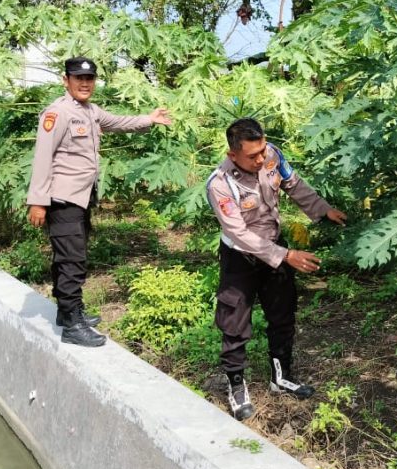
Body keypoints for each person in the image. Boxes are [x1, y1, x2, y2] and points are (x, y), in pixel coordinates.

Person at [205, 118, 347, 420]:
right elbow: (239, 233)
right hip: (240, 256)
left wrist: (322, 209)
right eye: (252, 156)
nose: (261, 158)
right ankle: (236, 385)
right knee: (235, 323)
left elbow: (293, 184)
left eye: (262, 150)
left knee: (282, 314)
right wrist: (286, 255)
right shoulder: (220, 184)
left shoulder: (273, 154)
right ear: (233, 155)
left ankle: (280, 377)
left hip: (275, 246)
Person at [27, 56, 172, 347]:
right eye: (78, 78)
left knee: (68, 257)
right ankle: (72, 326)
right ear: (65, 80)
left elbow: (119, 122)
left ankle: (68, 312)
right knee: (73, 260)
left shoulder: (90, 111)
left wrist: (149, 119)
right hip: (62, 198)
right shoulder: (57, 113)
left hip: (80, 197)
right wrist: (37, 202)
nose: (85, 83)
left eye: (89, 78)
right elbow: (43, 157)